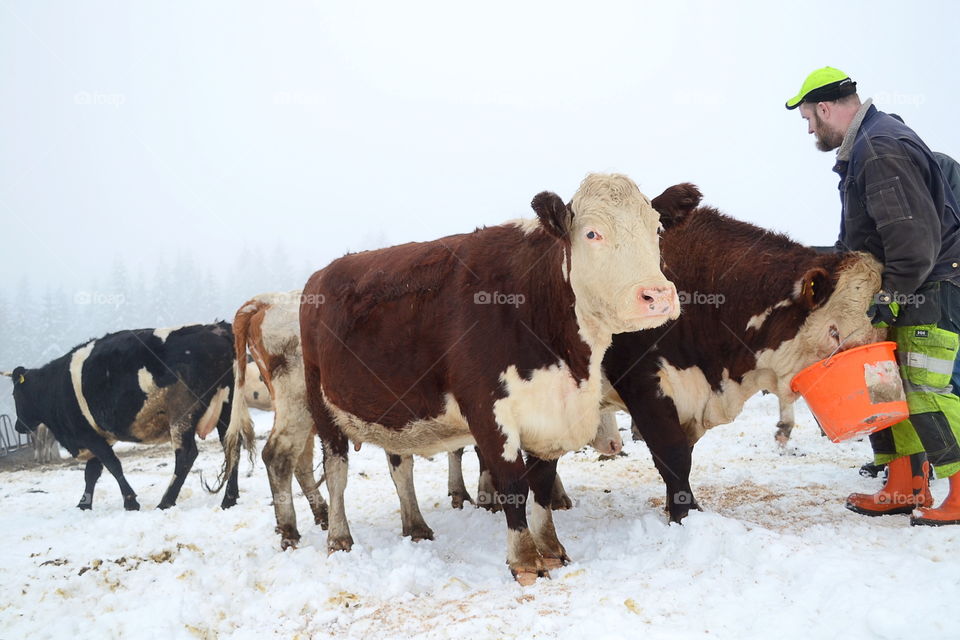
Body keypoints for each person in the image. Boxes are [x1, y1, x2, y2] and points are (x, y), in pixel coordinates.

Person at [786, 66, 960, 526]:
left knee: (926, 387)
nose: (809, 129)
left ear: (825, 109)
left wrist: (892, 298)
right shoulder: (871, 144)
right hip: (911, 286)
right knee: (889, 385)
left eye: (808, 119)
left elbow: (913, 238)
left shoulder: (879, 149)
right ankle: (905, 485)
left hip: (930, 287)